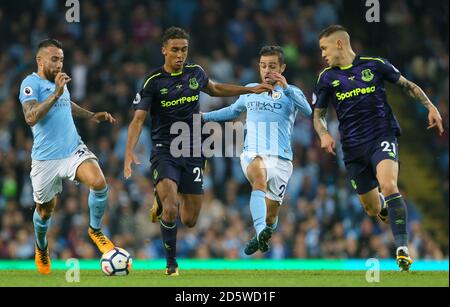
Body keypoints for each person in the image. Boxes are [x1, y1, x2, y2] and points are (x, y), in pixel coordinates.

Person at [124, 27, 273, 276]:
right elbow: (138, 119)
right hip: (165, 150)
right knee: (171, 209)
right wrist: (129, 153)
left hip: (193, 149)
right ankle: (171, 264)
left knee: (190, 219)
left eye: (183, 49)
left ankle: (164, 194)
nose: (180, 54)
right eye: (174, 50)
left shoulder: (195, 73)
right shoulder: (153, 82)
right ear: (164, 50)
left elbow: (214, 88)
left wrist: (248, 89)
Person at [313, 25, 444, 271]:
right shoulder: (326, 79)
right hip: (352, 149)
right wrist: (324, 134)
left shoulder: (375, 64)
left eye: (324, 48)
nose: (322, 54)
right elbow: (318, 115)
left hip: (381, 136)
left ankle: (403, 248)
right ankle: (383, 206)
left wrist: (431, 106)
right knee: (372, 208)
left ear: (339, 44)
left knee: (389, 184)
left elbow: (407, 85)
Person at [18, 39, 117, 274]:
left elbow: (65, 103)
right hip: (45, 160)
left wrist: (91, 115)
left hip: (73, 150)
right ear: (39, 60)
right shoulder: (30, 84)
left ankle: (95, 230)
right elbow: (30, 117)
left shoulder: (59, 82)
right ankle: (41, 247)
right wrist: (54, 94)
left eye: (61, 59)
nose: (59, 63)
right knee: (45, 210)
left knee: (99, 182)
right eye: (54, 59)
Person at [202, 46, 312, 255]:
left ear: (282, 67)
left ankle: (263, 231)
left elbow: (308, 111)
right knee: (258, 178)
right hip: (253, 152)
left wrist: (286, 87)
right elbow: (233, 111)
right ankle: (260, 230)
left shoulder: (292, 92)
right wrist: (205, 117)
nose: (267, 70)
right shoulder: (251, 89)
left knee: (272, 216)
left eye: (272, 66)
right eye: (263, 66)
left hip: (282, 159)